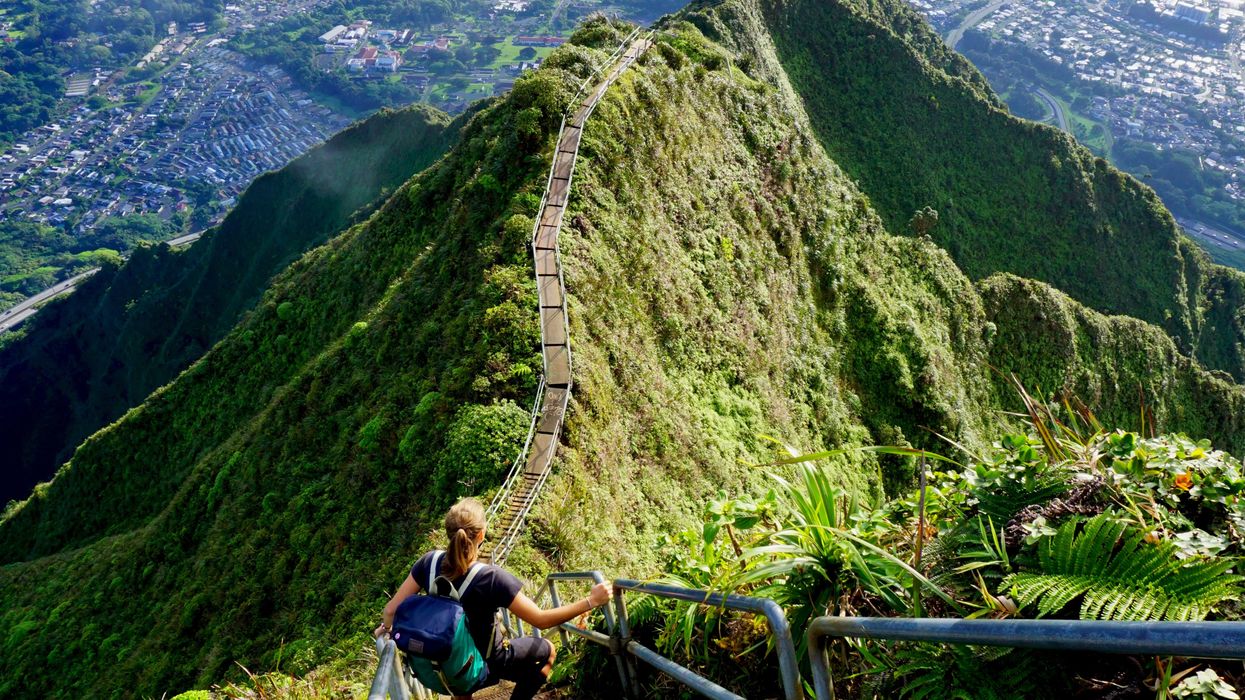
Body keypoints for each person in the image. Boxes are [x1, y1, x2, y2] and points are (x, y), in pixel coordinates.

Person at [376, 498, 613, 700]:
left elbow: (390, 611)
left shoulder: (428, 563)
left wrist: (386, 630)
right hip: (488, 665)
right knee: (548, 650)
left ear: (448, 533)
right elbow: (540, 620)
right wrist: (591, 601)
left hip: (438, 665)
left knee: (458, 661)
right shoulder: (491, 578)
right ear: (481, 534)